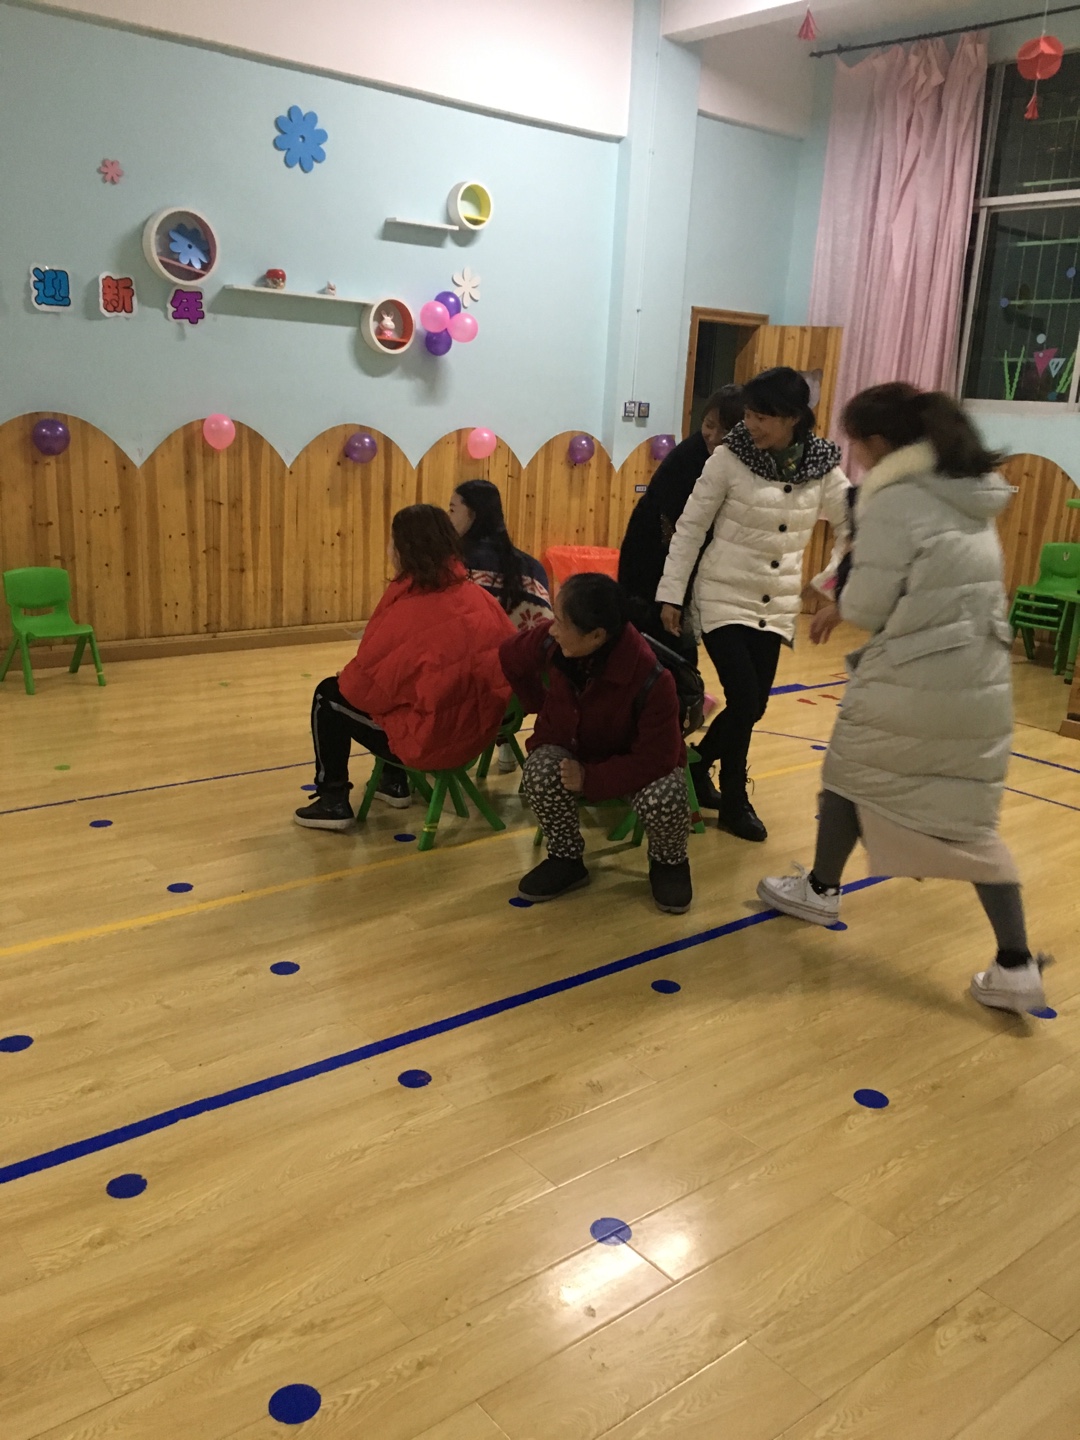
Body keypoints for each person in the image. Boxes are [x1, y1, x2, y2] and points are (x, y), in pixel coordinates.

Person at [758, 384, 1051, 1014]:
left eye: (858, 443)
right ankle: (1016, 964)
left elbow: (869, 604)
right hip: (977, 681)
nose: (856, 456)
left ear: (880, 442)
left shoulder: (896, 498)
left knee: (848, 773)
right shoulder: (965, 490)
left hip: (916, 678)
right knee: (966, 818)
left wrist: (842, 601)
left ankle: (821, 890)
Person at [656, 367, 851, 840]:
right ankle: (733, 797)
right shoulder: (728, 458)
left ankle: (700, 767)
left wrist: (831, 583)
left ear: (793, 418)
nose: (752, 425)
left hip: (777, 602)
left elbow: (853, 526)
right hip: (722, 594)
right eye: (749, 414)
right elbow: (690, 528)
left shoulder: (822, 466)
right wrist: (671, 593)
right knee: (744, 696)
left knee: (755, 705)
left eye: (763, 417)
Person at [295, 504, 515, 830]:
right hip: (477, 734)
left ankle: (333, 800)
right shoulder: (480, 598)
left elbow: (364, 690)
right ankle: (393, 782)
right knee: (406, 690)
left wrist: (349, 679)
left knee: (329, 695)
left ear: (402, 550)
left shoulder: (409, 610)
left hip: (434, 743)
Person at [499, 572, 692, 913]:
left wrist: (590, 778)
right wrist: (537, 703)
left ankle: (669, 862)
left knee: (667, 792)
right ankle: (566, 859)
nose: (552, 629)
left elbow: (658, 759)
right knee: (539, 772)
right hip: (572, 748)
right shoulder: (552, 642)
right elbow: (510, 656)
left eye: (561, 623)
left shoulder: (653, 677)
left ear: (597, 635)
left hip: (633, 763)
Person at [618, 385, 745, 660]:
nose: (713, 436)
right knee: (656, 640)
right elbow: (673, 526)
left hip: (687, 563)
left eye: (725, 431)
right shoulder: (689, 457)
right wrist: (674, 594)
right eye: (708, 425)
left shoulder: (739, 461)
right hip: (653, 555)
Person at [449, 479, 553, 773]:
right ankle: (504, 741)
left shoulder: (453, 568)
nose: (448, 518)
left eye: (452, 509)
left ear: (472, 514)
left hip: (463, 698)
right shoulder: (532, 567)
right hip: (522, 696)